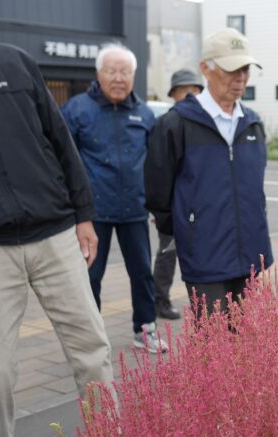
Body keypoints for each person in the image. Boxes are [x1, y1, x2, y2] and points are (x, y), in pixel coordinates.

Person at [0, 31, 114, 437]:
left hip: (54, 231)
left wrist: (83, 214)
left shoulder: (14, 62)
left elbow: (60, 140)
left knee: (91, 349)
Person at [145, 28, 273, 315]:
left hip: (250, 251)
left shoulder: (252, 124)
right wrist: (187, 230)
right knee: (214, 347)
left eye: (245, 69)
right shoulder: (176, 124)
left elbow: (256, 188)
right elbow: (157, 193)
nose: (240, 78)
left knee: (248, 344)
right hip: (205, 256)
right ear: (206, 69)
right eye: (231, 69)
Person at [61, 43, 167, 352]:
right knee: (90, 276)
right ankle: (90, 337)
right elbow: (61, 160)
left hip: (134, 208)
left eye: (125, 72)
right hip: (91, 213)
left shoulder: (144, 114)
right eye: (112, 71)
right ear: (98, 74)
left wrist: (156, 203)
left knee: (142, 273)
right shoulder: (77, 110)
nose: (118, 78)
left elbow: (156, 163)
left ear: (133, 76)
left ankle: (145, 329)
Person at [151, 69, 204, 320]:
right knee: (168, 254)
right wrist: (162, 213)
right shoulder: (167, 123)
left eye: (195, 90)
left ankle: (204, 304)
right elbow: (158, 173)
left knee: (197, 257)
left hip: (200, 208)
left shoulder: (205, 123)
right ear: (174, 95)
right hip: (174, 208)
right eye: (185, 91)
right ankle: (160, 300)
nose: (191, 96)